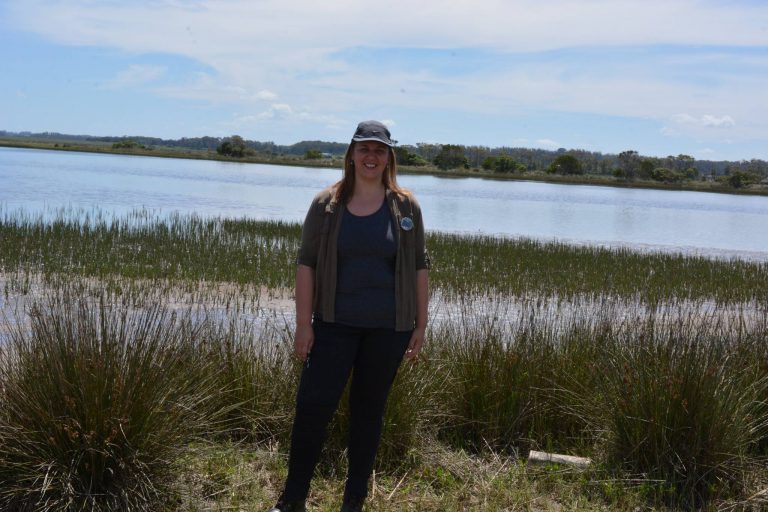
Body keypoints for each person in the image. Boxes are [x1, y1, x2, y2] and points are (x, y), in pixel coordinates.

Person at [269, 121, 430, 512]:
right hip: (333, 326)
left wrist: (421, 325)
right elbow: (306, 264)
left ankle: (353, 500)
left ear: (388, 157)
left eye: (379, 150)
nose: (371, 156)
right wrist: (303, 324)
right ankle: (292, 499)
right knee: (312, 408)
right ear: (352, 155)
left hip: (388, 330)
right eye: (364, 149)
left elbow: (419, 267)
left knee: (368, 413)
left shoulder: (406, 206)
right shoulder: (326, 204)